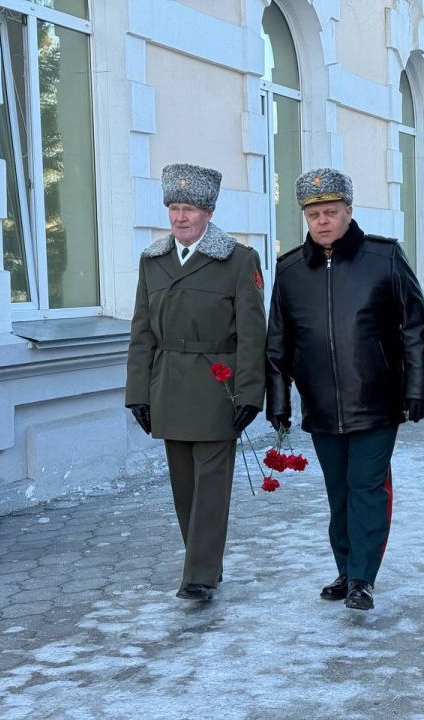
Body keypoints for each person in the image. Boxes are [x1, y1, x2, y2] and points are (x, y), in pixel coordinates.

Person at [265, 168, 424, 612]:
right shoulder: (289, 271)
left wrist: (418, 387)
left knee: (366, 486)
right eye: (314, 214)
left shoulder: (383, 257)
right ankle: (346, 568)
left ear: (349, 212)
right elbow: (277, 343)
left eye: (331, 212)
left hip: (377, 400)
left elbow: (414, 326)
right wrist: (279, 400)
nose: (322, 221)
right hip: (320, 403)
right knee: (337, 491)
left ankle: (363, 577)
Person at [125, 163, 266, 602]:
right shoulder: (152, 262)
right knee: (183, 486)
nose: (180, 217)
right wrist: (138, 394)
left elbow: (251, 333)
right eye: (173, 208)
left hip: (215, 386)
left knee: (211, 486)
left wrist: (248, 393)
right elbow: (141, 331)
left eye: (189, 209)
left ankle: (199, 575)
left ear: (208, 212)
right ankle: (205, 563)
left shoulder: (238, 260)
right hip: (168, 384)